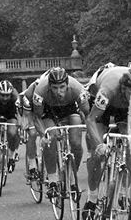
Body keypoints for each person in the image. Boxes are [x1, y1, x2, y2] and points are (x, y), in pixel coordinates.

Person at [83, 65, 131, 220]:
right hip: (106, 105)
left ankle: (124, 192)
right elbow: (90, 120)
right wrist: (99, 145)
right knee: (97, 155)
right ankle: (92, 198)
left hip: (127, 109)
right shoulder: (108, 90)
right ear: (124, 88)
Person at [32, 67, 90, 197]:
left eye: (62, 87)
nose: (59, 92)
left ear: (67, 84)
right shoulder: (40, 90)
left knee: (76, 143)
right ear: (49, 86)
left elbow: (87, 113)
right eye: (55, 88)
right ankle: (52, 180)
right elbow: (37, 117)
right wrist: (43, 135)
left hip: (70, 110)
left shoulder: (77, 88)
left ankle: (72, 177)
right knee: (50, 139)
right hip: (49, 111)